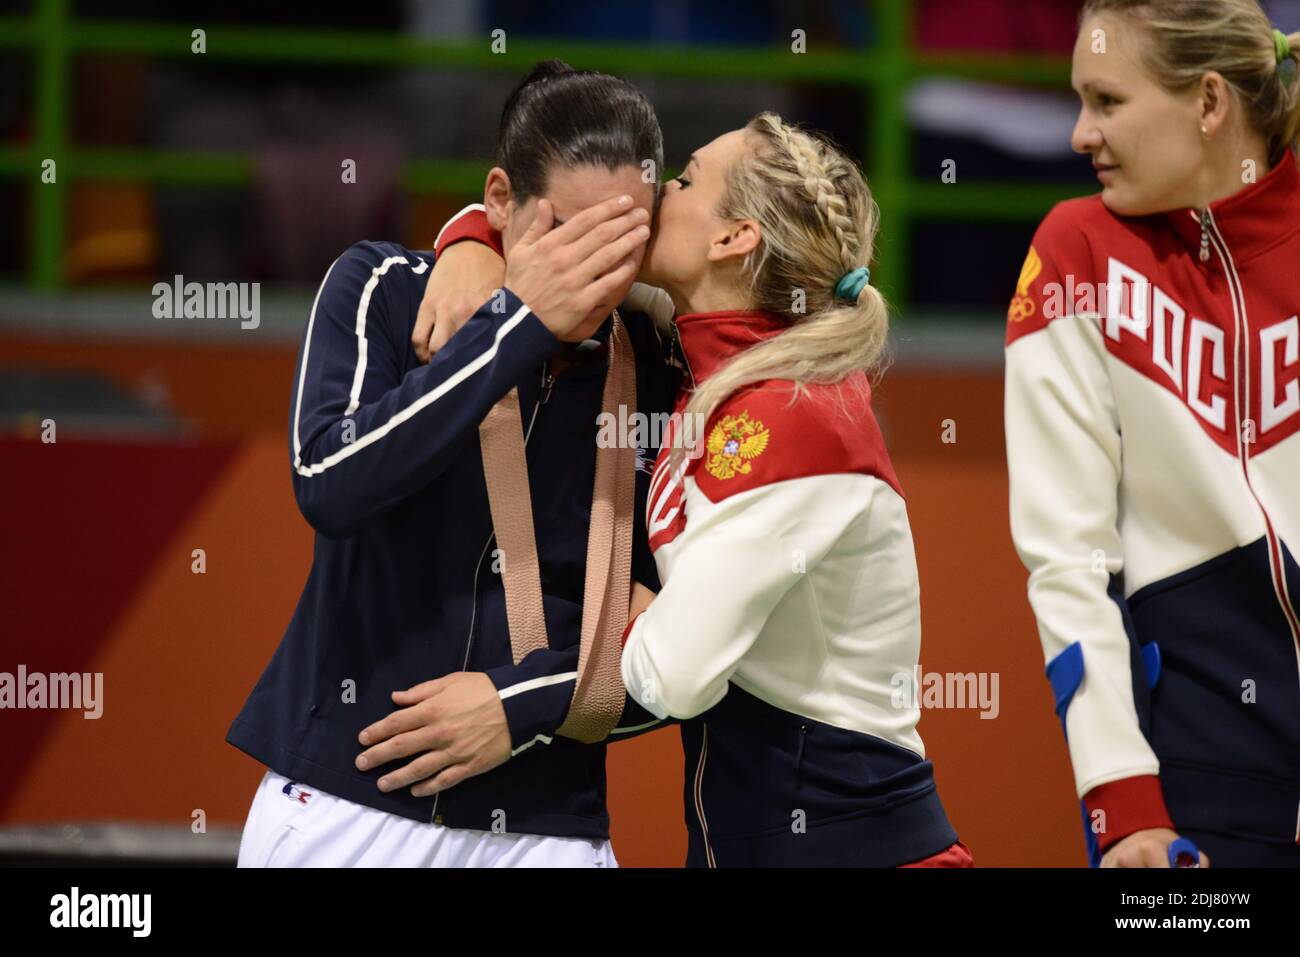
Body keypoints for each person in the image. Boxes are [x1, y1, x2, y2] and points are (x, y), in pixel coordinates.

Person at [417, 111, 970, 867]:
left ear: (733, 238)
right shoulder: (712, 363)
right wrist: (472, 241)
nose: (651, 192)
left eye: (682, 180)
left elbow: (672, 672)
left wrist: (528, 694)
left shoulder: (798, 414)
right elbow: (546, 242)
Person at [227, 60, 680, 867]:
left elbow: (679, 645)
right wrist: (514, 327)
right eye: (567, 235)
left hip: (549, 825)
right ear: (499, 199)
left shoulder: (663, 362)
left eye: (622, 242)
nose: (592, 271)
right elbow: (331, 483)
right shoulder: (385, 288)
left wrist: (516, 707)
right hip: (346, 799)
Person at [1005, 0, 1300, 867]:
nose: (1078, 134)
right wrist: (1121, 798)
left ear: (1210, 103)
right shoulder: (1075, 252)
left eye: (1106, 101)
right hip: (1188, 797)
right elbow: (1066, 559)